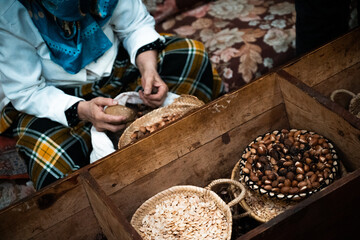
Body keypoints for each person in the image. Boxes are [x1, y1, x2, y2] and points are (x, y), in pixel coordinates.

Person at [0, 0, 224, 190]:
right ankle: (99, 154)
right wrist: (84, 111)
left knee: (191, 54)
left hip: (121, 69)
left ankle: (163, 135)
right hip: (62, 97)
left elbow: (135, 26)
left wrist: (148, 69)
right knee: (48, 154)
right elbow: (28, 90)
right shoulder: (8, 11)